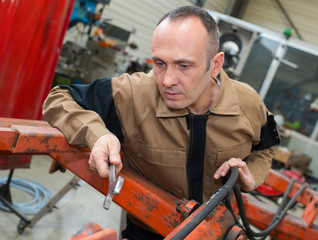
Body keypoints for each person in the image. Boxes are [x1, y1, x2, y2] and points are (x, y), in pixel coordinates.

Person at [43, 5, 280, 240]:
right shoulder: (134, 95)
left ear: (215, 65)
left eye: (183, 65)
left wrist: (252, 178)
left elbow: (266, 148)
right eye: (159, 63)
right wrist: (98, 134)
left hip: (220, 231)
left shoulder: (248, 104)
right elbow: (58, 98)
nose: (167, 81)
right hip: (147, 231)